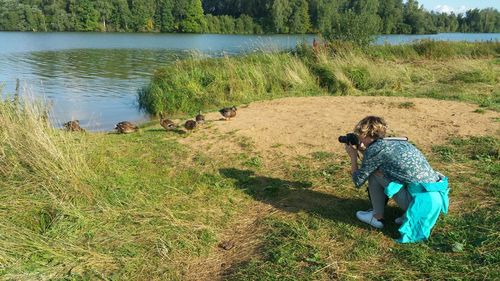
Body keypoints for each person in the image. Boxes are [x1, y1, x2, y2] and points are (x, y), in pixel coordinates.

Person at [343, 116, 449, 243]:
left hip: (419, 203)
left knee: (375, 173)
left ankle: (376, 217)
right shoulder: (398, 142)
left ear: (364, 133)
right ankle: (407, 214)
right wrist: (363, 150)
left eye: (359, 134)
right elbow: (382, 159)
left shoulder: (375, 150)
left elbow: (357, 180)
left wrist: (353, 157)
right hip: (433, 201)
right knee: (390, 173)